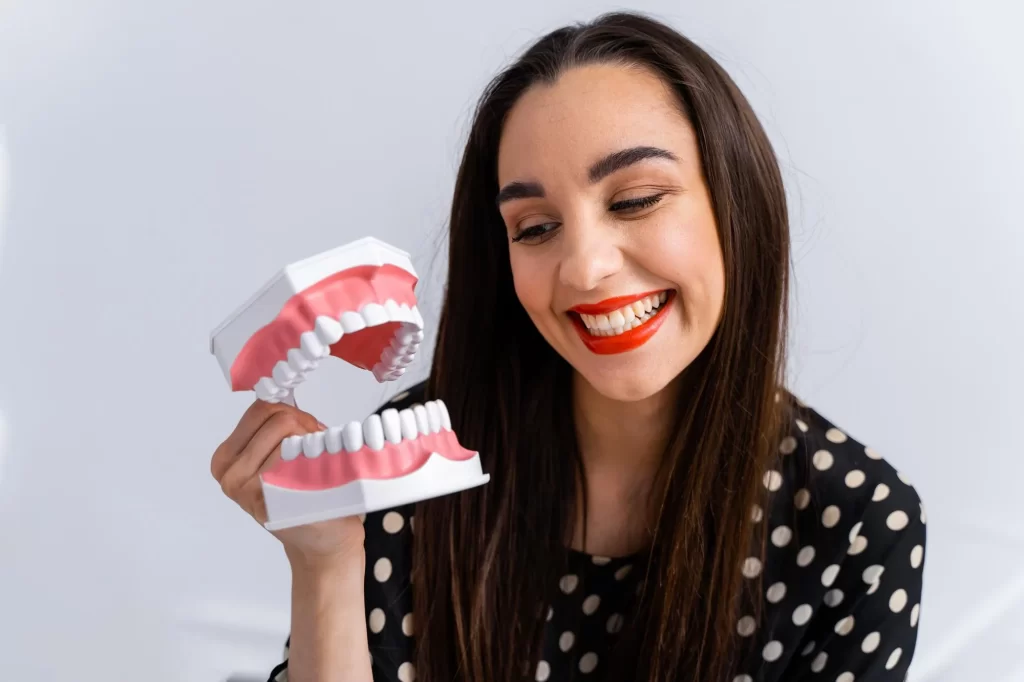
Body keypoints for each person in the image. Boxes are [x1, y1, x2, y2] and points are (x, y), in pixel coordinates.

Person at [210, 11, 926, 682]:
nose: (584, 268)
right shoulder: (411, 475)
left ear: (736, 204)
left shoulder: (860, 526)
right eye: (535, 227)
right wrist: (325, 564)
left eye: (636, 199)